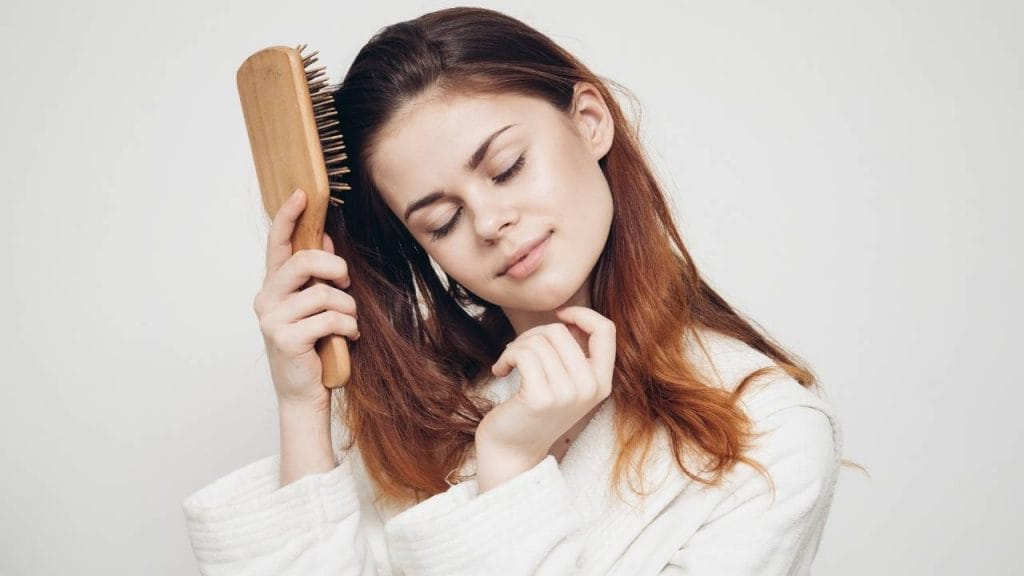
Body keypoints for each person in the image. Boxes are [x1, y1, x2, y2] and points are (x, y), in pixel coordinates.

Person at [182, 6, 844, 575]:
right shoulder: (417, 417)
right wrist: (301, 408)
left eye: (506, 167)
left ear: (589, 120)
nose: (492, 223)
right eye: (442, 220)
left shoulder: (768, 433)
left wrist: (510, 467)